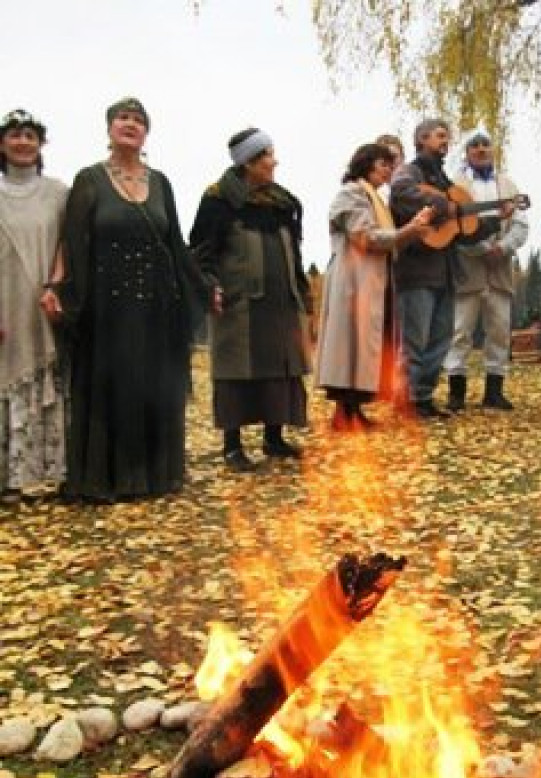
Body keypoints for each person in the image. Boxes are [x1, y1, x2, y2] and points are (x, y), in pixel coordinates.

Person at [54, 98, 205, 502]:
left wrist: (205, 287)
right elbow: (72, 242)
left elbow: (176, 244)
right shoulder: (89, 180)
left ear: (146, 134)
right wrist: (59, 291)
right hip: (106, 308)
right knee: (112, 386)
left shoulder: (161, 183)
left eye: (139, 120)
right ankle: (106, 479)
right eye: (123, 118)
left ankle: (155, 477)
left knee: (153, 386)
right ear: (108, 128)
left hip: (157, 307)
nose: (130, 124)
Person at [190, 128, 312, 468]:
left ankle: (274, 439)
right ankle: (233, 446)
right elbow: (201, 251)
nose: (275, 162)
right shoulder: (218, 201)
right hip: (239, 304)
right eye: (268, 155)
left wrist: (301, 291)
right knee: (235, 372)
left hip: (279, 304)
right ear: (249, 162)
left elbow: (296, 253)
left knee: (280, 370)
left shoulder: (282, 203)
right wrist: (210, 285)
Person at [389, 118, 512, 418]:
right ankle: (406, 401)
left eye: (447, 137)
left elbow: (463, 228)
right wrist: (443, 203)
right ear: (421, 139)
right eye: (440, 136)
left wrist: (496, 218)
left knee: (440, 338)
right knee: (415, 341)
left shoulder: (443, 178)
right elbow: (403, 194)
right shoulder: (410, 172)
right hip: (416, 271)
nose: (446, 141)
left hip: (445, 272)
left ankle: (424, 398)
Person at [314, 143, 432, 431]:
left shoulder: (373, 198)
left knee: (364, 345)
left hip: (372, 281)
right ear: (366, 164)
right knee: (351, 346)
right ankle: (345, 413)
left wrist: (408, 232)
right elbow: (365, 237)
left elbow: (384, 239)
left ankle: (353, 410)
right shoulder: (351, 193)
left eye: (391, 166)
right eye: (383, 165)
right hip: (354, 281)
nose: (389, 171)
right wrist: (409, 231)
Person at [0, 109, 68, 499]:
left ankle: (52, 469)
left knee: (48, 379)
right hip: (5, 296)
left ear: (41, 143)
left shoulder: (58, 193)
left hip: (45, 298)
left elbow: (67, 244)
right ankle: (8, 478)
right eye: (14, 135)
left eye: (30, 135)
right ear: (2, 144)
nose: (23, 142)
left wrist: (56, 285)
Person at [444, 130, 529, 412]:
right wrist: (482, 250)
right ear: (467, 153)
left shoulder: (509, 184)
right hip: (467, 270)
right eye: (474, 146)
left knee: (499, 332)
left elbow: (521, 225)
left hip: (500, 272)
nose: (481, 150)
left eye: (485, 145)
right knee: (460, 332)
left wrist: (503, 248)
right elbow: (455, 229)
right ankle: (456, 392)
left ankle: (495, 392)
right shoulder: (456, 185)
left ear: (493, 150)